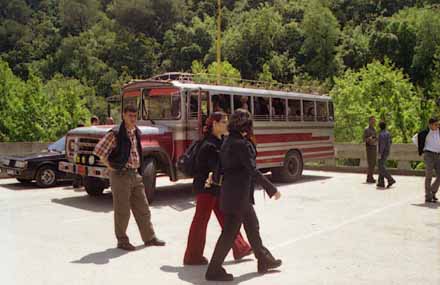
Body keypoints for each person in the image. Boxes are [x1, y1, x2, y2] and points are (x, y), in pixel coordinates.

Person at [205, 109, 282, 282]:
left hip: (235, 195)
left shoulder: (228, 140)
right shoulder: (240, 143)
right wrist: (271, 189)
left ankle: (264, 260)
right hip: (237, 196)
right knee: (229, 234)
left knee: (252, 226)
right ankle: (213, 270)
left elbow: (221, 167)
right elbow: (252, 170)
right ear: (246, 125)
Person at [184, 112, 252, 265]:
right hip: (206, 188)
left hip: (216, 187)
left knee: (227, 219)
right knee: (201, 221)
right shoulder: (209, 144)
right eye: (223, 122)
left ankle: (240, 248)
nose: (227, 125)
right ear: (214, 124)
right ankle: (192, 256)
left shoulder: (218, 141)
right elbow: (209, 169)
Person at [93, 105, 165, 250]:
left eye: (134, 116)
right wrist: (110, 166)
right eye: (130, 116)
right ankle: (122, 241)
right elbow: (99, 151)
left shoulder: (136, 132)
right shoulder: (115, 133)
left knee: (143, 208)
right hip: (120, 175)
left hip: (135, 174)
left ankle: (149, 238)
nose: (133, 119)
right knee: (122, 211)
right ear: (123, 115)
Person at [414, 118, 440, 203]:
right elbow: (414, 139)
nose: (437, 126)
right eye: (435, 124)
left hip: (438, 155)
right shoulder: (424, 133)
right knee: (429, 175)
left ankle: (432, 191)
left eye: (438, 124)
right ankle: (428, 196)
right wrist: (422, 148)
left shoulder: (439, 131)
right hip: (428, 155)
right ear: (430, 125)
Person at [377, 121, 396, 188]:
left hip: (383, 152)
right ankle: (380, 182)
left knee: (381, 167)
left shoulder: (381, 134)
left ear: (380, 127)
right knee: (381, 166)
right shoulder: (388, 133)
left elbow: (382, 145)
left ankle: (390, 179)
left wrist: (380, 153)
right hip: (387, 151)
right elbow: (390, 142)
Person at [363, 116, 377, 183]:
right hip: (369, 147)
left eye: (374, 120)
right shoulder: (366, 129)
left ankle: (371, 176)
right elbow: (364, 139)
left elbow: (376, 138)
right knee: (370, 163)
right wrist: (369, 139)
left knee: (374, 163)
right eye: (372, 120)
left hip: (374, 147)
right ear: (369, 121)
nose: (374, 122)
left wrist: (375, 139)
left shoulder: (374, 129)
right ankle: (369, 177)